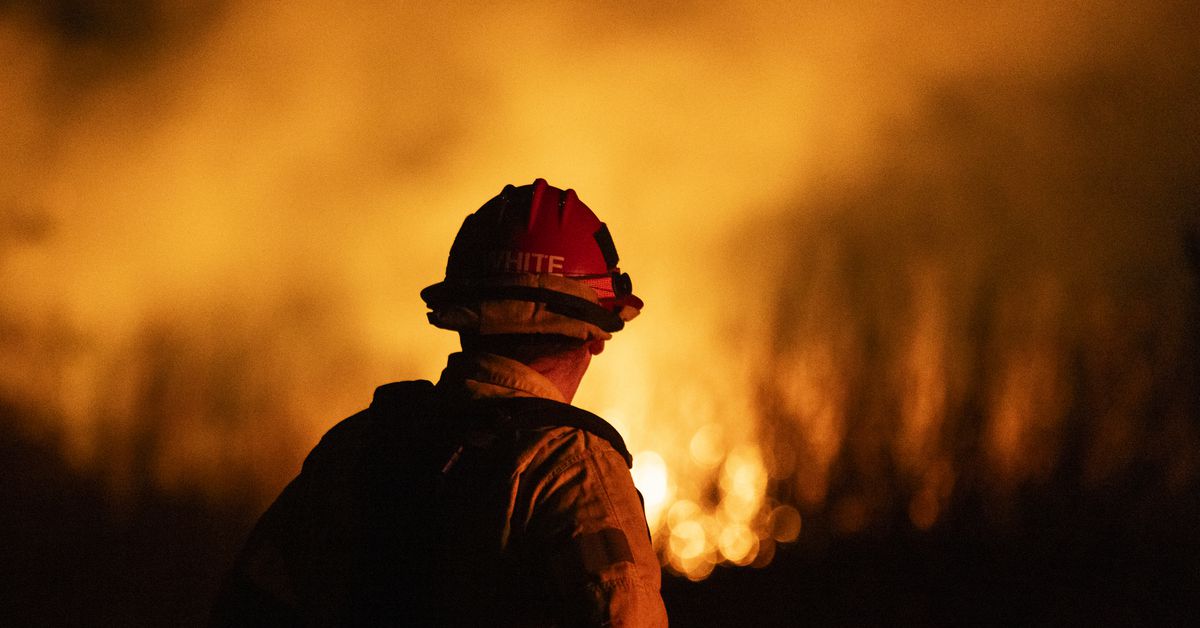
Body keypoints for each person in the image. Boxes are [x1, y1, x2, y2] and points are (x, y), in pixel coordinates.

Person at [212, 179, 668, 626]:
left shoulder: (356, 446)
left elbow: (250, 606)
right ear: (594, 335)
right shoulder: (574, 470)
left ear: (464, 319)